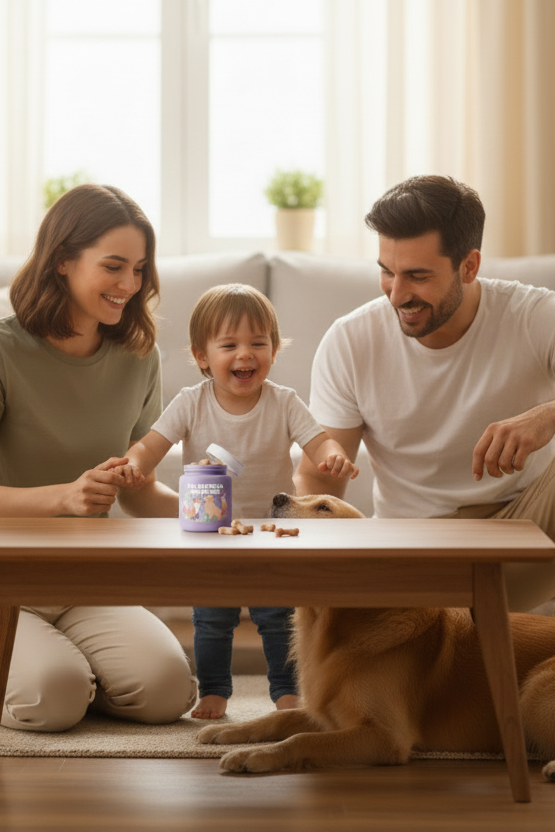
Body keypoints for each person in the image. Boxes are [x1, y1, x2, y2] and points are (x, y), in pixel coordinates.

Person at [294, 174, 555, 613]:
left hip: (522, 532)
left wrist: (547, 415)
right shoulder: (350, 340)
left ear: (469, 266)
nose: (397, 295)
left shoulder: (533, 315)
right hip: (411, 546)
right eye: (386, 272)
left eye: (417, 276)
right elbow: (321, 480)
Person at [0, 184, 197, 732]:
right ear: (62, 259)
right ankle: (62, 677)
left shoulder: (138, 356)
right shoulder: (4, 347)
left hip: (84, 580)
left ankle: (69, 671)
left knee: (166, 692)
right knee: (52, 698)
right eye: (113, 266)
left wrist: (213, 515)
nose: (129, 285)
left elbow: (138, 491)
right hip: (5, 578)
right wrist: (65, 496)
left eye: (139, 269)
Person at [115, 282, 359, 718]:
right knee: (212, 621)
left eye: (258, 343)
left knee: (279, 619)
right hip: (210, 533)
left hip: (272, 532)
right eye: (229, 344)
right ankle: (214, 691)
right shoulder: (192, 402)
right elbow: (150, 445)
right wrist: (134, 463)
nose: (245, 353)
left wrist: (334, 457)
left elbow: (319, 442)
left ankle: (286, 692)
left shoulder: (283, 401)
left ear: (274, 350)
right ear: (201, 356)